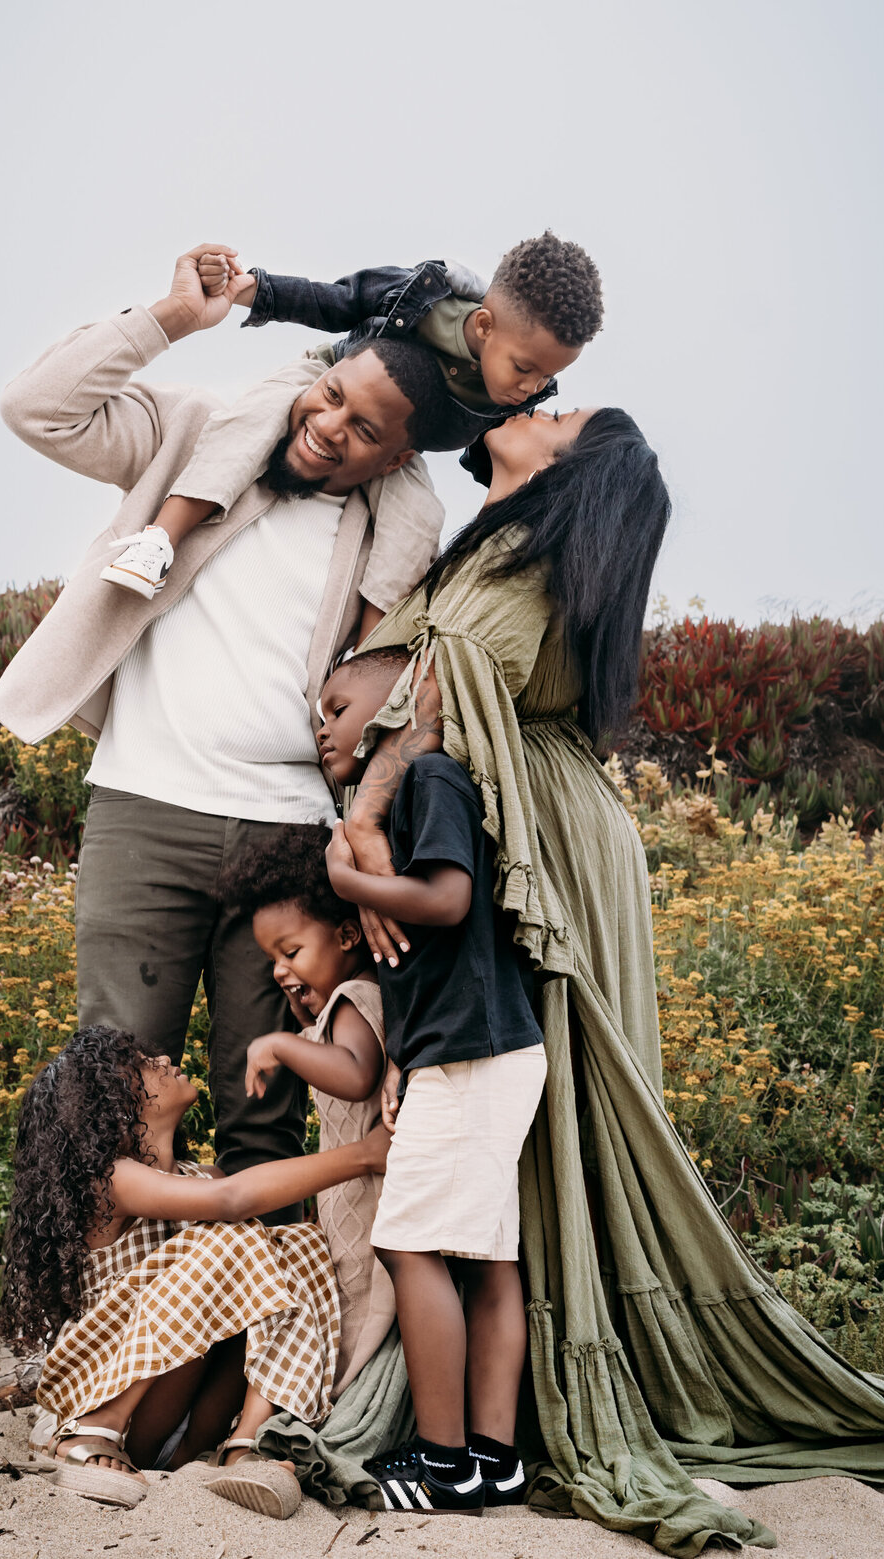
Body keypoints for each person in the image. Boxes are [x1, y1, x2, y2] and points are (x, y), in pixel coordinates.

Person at [260, 404, 884, 1548]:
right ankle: (487, 1437)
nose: (534, 408)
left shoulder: (529, 563)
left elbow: (448, 692)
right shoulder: (487, 532)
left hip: (541, 831)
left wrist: (357, 833)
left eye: (558, 415)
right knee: (496, 1201)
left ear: (573, 468)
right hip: (519, 829)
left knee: (522, 1151)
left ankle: (474, 1443)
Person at [0, 242, 453, 1195]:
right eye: (328, 399)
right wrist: (170, 319)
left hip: (288, 834)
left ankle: (257, 1341)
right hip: (144, 809)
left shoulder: (395, 535)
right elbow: (35, 408)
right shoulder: (198, 430)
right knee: (112, 1090)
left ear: (399, 456)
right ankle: (118, 1333)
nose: (328, 430)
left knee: (265, 1115)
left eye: (364, 431)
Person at [313, 646, 547, 1516]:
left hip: (477, 1052)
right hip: (472, 1046)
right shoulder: (417, 789)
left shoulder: (433, 777)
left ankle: (446, 1463)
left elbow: (448, 901)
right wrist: (406, 1052)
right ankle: (496, 1458)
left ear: (401, 691)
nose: (323, 725)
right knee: (487, 1256)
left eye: (337, 704)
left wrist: (348, 876)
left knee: (411, 1243)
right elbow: (431, 960)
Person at [3, 1024, 390, 1519]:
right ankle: (95, 1425)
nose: (162, 1058)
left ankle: (243, 1444)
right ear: (116, 1108)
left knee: (293, 1244)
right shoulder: (108, 1181)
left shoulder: (196, 1176)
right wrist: (362, 1154)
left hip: (189, 1421)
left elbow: (236, 1198)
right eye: (141, 1063)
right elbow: (231, 1202)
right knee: (230, 1232)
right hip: (124, 1411)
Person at [98, 232, 603, 602]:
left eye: (546, 378)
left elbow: (493, 464)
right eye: (525, 368)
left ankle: (365, 659)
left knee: (420, 519)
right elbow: (334, 301)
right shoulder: (423, 296)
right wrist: (249, 288)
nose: (531, 388)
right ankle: (158, 541)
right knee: (246, 426)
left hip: (394, 447)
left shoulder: (514, 400)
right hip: (328, 383)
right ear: (486, 326)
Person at [220, 822, 393, 1397]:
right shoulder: (338, 1006)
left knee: (366, 1308)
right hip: (350, 1198)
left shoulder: (356, 997)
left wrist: (280, 1044)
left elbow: (357, 1074)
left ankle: (354, 1405)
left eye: (291, 952)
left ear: (347, 935)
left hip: (371, 1201)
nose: (278, 971)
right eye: (272, 958)